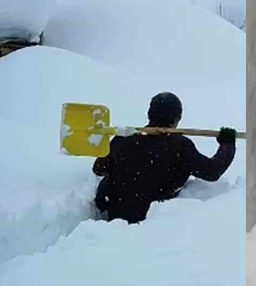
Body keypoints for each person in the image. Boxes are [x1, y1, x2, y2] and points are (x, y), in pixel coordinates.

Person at [92, 91, 236, 224]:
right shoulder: (180, 146)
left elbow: (99, 169)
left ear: (149, 113)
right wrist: (227, 144)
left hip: (114, 214)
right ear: (177, 118)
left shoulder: (123, 138)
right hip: (152, 221)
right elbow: (211, 172)